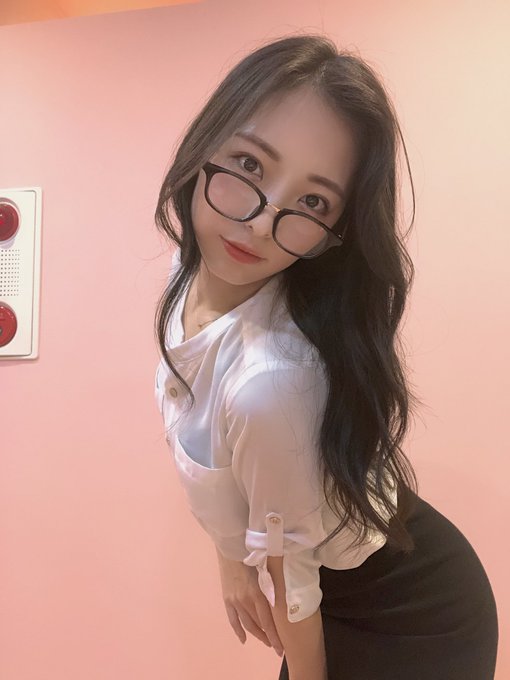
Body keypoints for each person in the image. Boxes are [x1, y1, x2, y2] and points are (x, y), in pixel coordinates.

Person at [153, 33, 499, 680]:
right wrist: (232, 561)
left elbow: (295, 587)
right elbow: (202, 428)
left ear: (333, 231)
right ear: (206, 144)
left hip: (415, 611)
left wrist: (244, 566)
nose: (261, 223)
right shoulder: (187, 274)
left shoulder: (271, 382)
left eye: (312, 202)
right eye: (250, 165)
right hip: (332, 584)